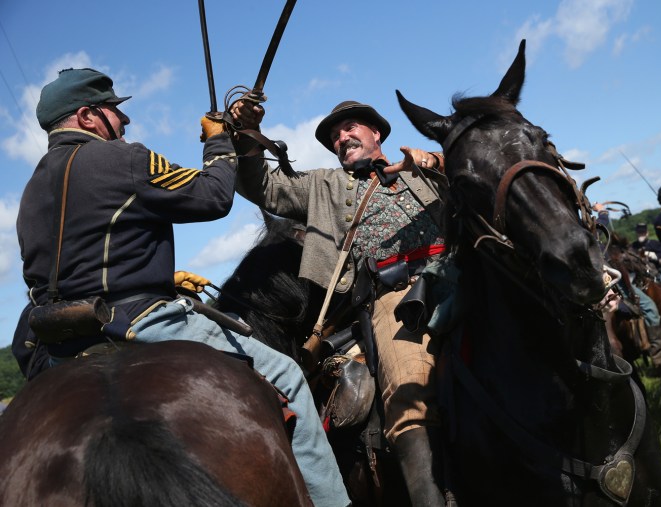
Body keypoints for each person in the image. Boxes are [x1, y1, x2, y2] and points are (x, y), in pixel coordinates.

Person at [15, 68, 349, 507]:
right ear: (87, 116)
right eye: (115, 111)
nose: (124, 122)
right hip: (137, 324)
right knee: (287, 374)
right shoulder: (124, 159)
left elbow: (74, 266)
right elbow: (212, 197)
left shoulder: (30, 191)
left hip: (57, 345)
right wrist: (217, 142)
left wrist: (164, 276)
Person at [235, 99, 449, 505]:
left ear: (376, 134)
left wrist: (436, 160)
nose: (341, 138)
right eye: (334, 136)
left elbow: (480, 167)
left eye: (349, 128)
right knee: (407, 389)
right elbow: (261, 186)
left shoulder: (420, 166)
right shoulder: (323, 184)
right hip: (398, 295)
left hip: (460, 273)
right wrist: (246, 138)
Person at [592, 202, 661, 367]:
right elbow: (602, 223)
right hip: (609, 286)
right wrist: (602, 210)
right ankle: (657, 353)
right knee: (650, 308)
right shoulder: (585, 230)